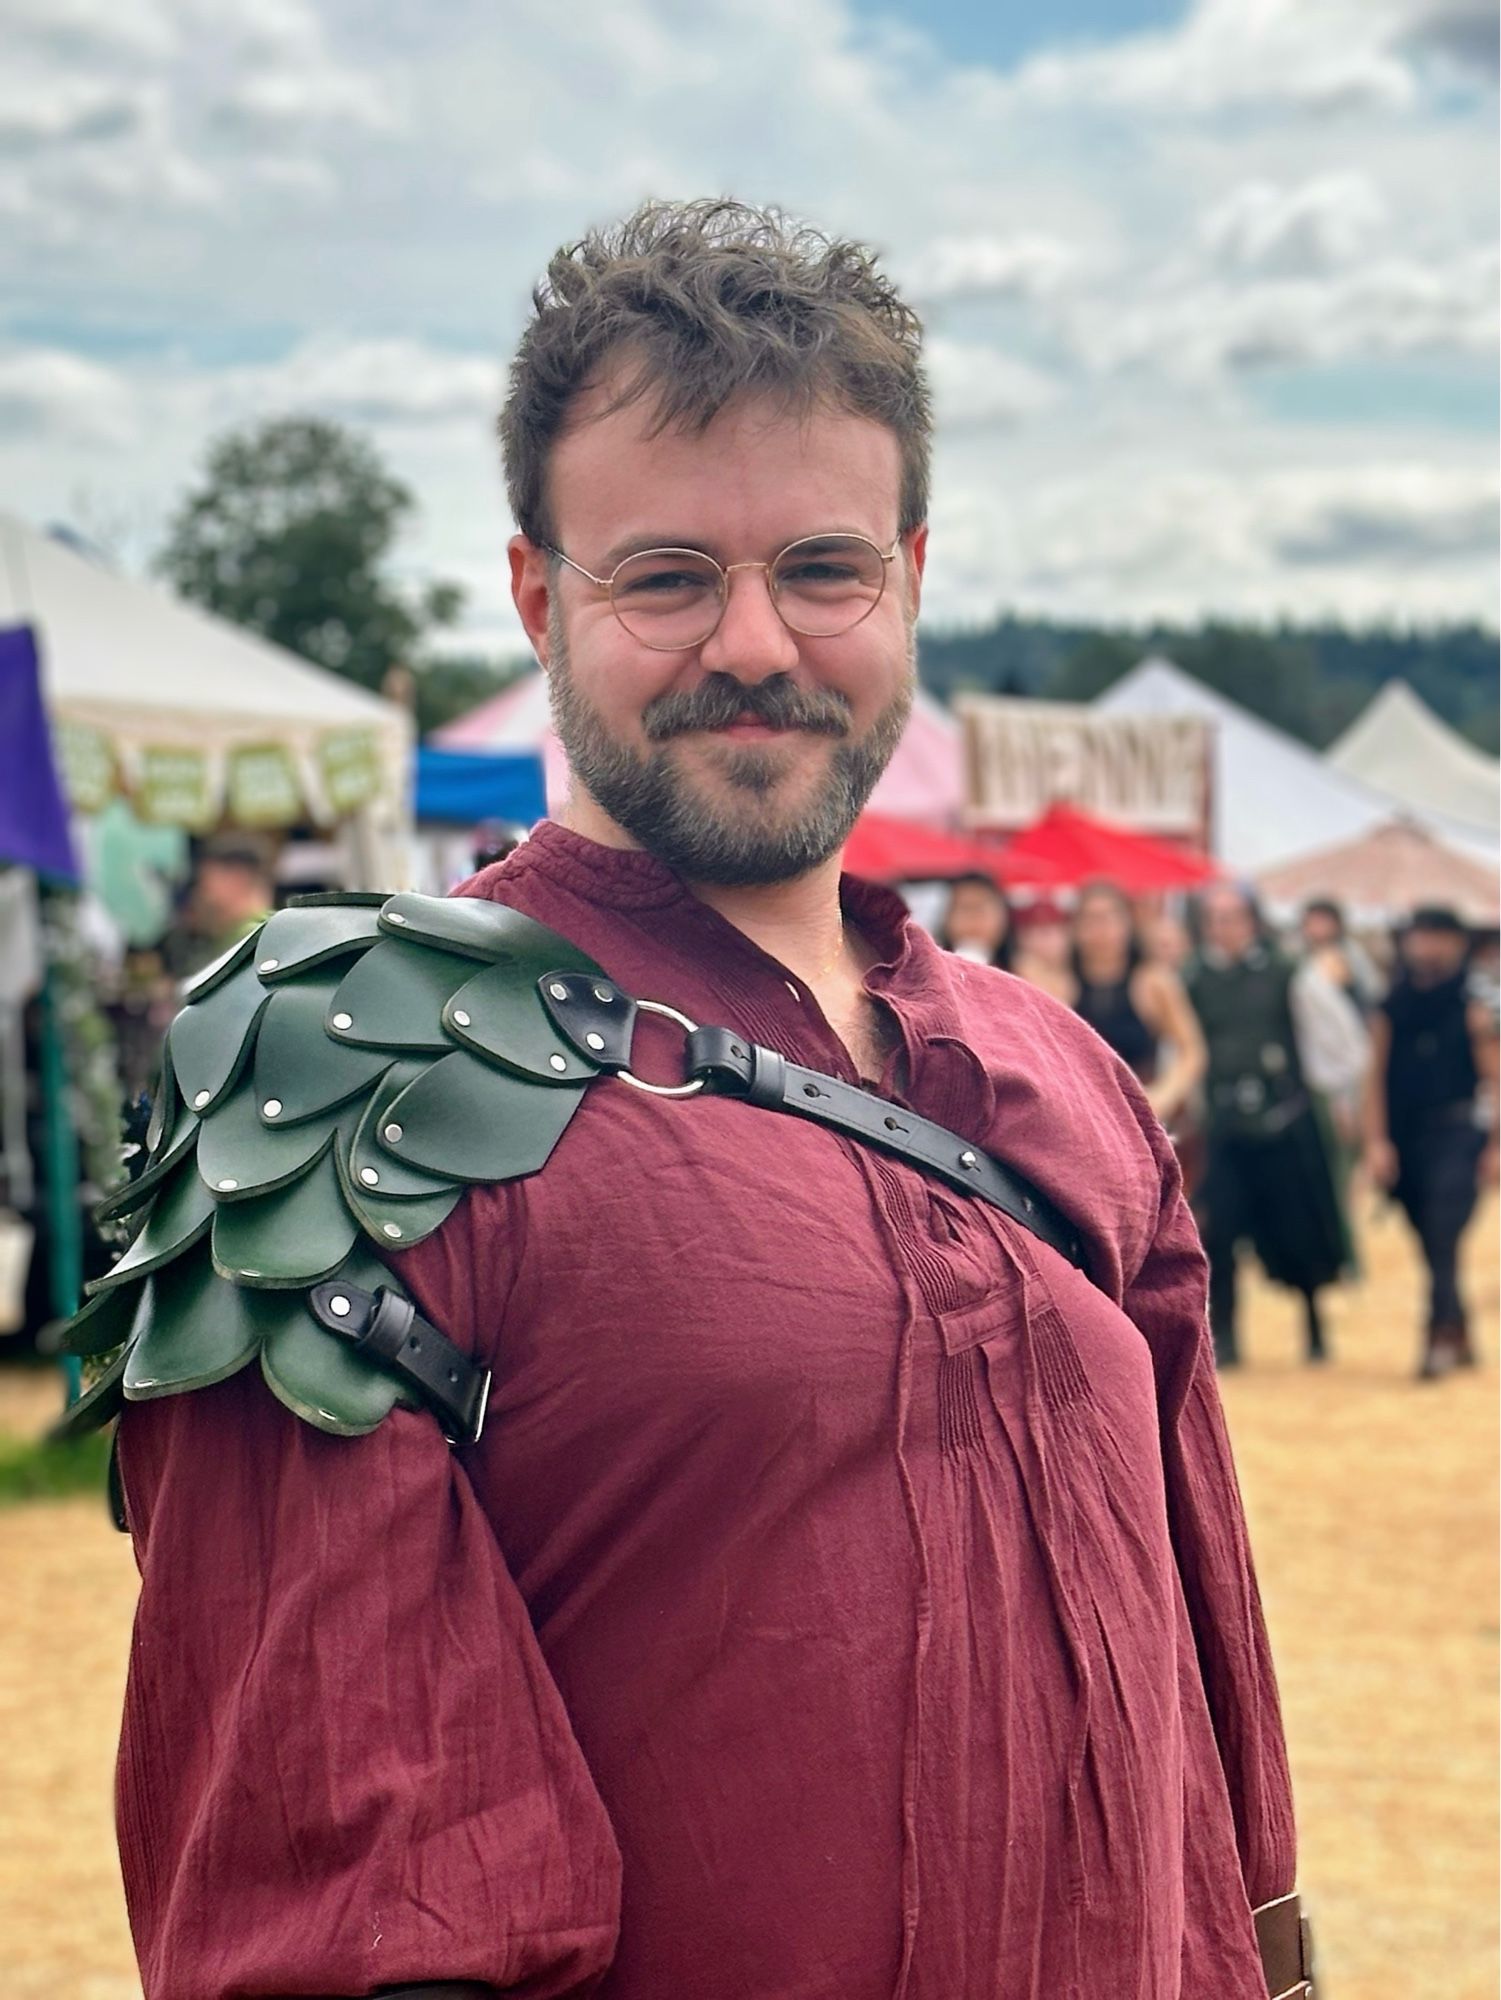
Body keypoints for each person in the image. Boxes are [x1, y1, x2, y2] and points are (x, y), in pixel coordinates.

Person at [96, 202, 1308, 2000]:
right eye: (664, 576)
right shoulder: (338, 1071)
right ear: (538, 596)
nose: (754, 642)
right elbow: (357, 1910)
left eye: (822, 570)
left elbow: (1220, 1812)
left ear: (907, 574)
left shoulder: (1070, 1083)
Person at [1188, 881, 1362, 1367]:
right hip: (1223, 1124)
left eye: (1232, 917)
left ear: (1252, 921)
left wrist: (1327, 1094)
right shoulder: (1193, 977)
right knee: (1218, 1230)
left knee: (1298, 1227)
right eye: (1214, 918)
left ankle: (1313, 1325)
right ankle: (1227, 1333)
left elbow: (1339, 1042)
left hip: (1284, 1120)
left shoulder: (1288, 972)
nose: (1222, 928)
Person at [1365, 906, 1498, 1378]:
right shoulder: (1391, 1002)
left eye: (1439, 937)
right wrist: (1377, 1140)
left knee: (1443, 1229)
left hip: (1459, 1130)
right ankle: (1458, 1328)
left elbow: (1494, 1073)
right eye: (1421, 936)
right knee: (1429, 1238)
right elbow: (1375, 1074)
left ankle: (1438, 1333)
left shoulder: (1474, 999)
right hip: (1406, 1135)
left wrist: (1497, 1144)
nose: (1429, 947)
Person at [1066, 879, 1207, 1131]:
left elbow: (1191, 1050)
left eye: (1109, 918)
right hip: (1081, 1117)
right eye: (1090, 919)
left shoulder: (1153, 982)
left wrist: (1165, 1093)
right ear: (1075, 927)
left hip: (1140, 1115)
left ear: (1128, 923)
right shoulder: (1059, 985)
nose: (1100, 930)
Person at [1297, 899, 1383, 1016]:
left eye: (1321, 922)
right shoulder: (1302, 956)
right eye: (1310, 922)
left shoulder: (1351, 953)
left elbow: (1371, 991)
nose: (1315, 928)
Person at [935, 869, 1013, 969]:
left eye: (980, 908)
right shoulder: (931, 973)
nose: (972, 918)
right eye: (965, 908)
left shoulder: (1024, 974)